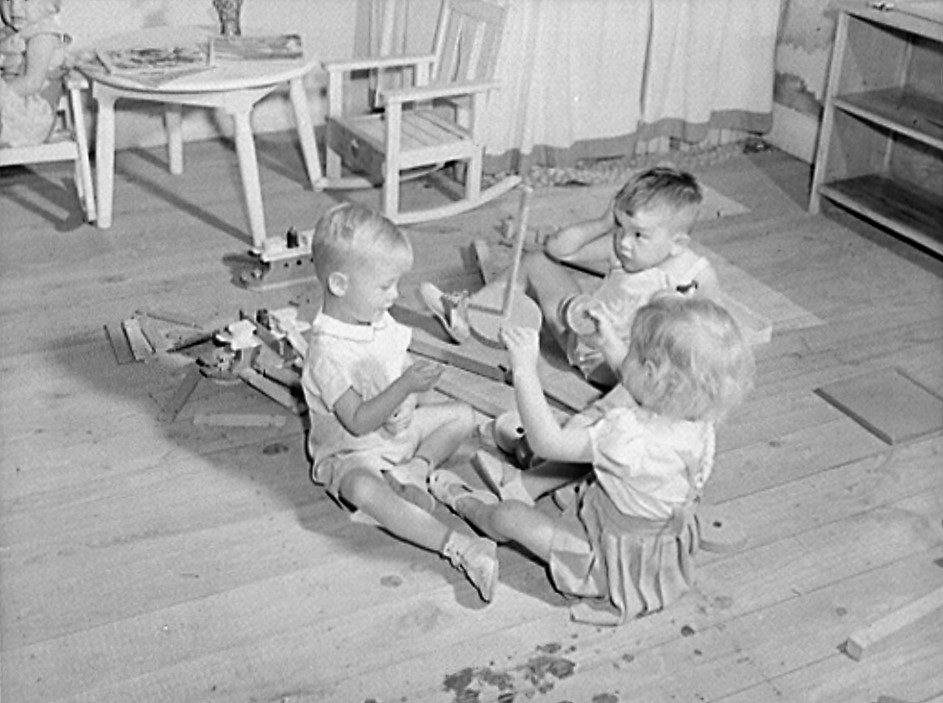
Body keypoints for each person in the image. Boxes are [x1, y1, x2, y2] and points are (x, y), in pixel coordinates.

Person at [427, 294, 755, 624]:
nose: (627, 356)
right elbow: (638, 384)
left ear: (652, 373)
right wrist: (608, 338)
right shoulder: (696, 419)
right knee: (595, 447)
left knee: (509, 517)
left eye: (634, 351)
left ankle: (467, 503)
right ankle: (526, 487)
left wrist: (526, 369)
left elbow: (547, 442)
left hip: (609, 557)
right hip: (655, 543)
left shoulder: (629, 439)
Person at [300, 203, 499, 602]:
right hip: (353, 452)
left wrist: (413, 391)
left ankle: (414, 470)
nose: (394, 295)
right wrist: (406, 387)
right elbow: (356, 421)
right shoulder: (327, 354)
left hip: (397, 433)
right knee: (364, 491)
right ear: (339, 284)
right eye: (384, 286)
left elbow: (395, 361)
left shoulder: (376, 318)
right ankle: (461, 547)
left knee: (462, 415)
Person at [421, 167, 721, 388]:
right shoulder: (624, 249)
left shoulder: (694, 273)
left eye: (639, 234)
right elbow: (560, 250)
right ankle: (468, 313)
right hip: (581, 331)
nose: (624, 242)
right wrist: (603, 223)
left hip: (613, 365)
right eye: (621, 227)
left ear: (677, 243)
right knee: (537, 260)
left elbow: (714, 329)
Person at [0, 0, 71, 147]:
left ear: (51, 5)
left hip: (30, 117)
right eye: (7, 0)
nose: (14, 7)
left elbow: (32, 82)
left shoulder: (43, 36)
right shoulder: (13, 32)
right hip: (12, 108)